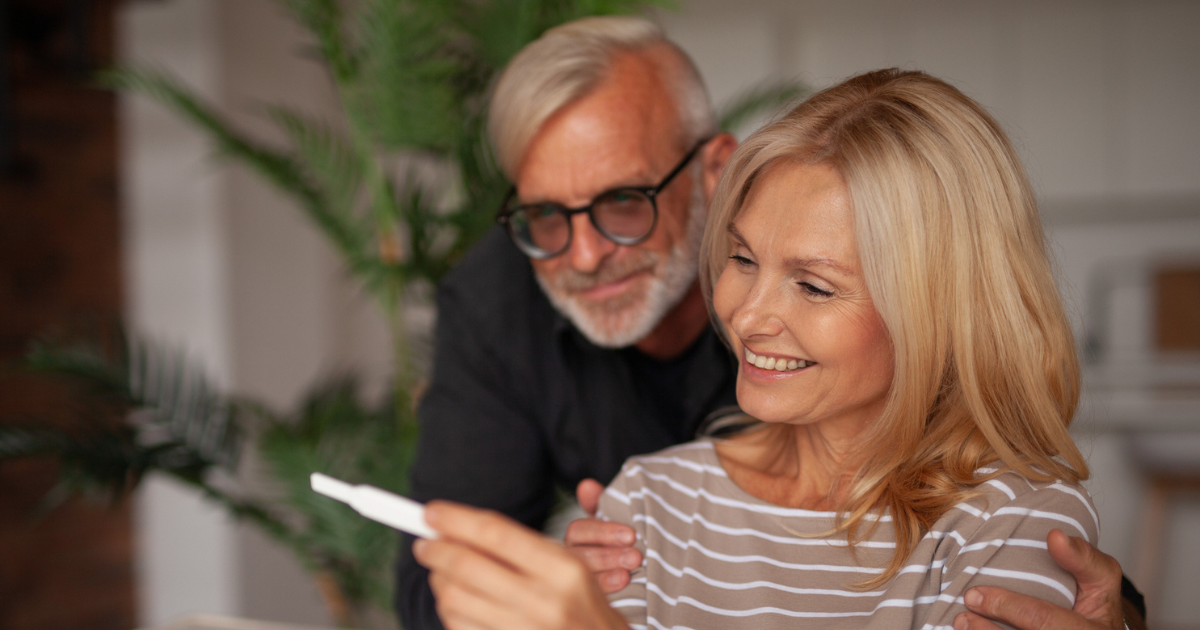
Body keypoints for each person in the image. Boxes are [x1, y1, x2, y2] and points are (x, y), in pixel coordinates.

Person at [395, 17, 1143, 630]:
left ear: (711, 173)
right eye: (547, 215)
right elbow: (436, 588)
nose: (584, 254)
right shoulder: (635, 484)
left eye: (623, 201)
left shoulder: (1007, 519)